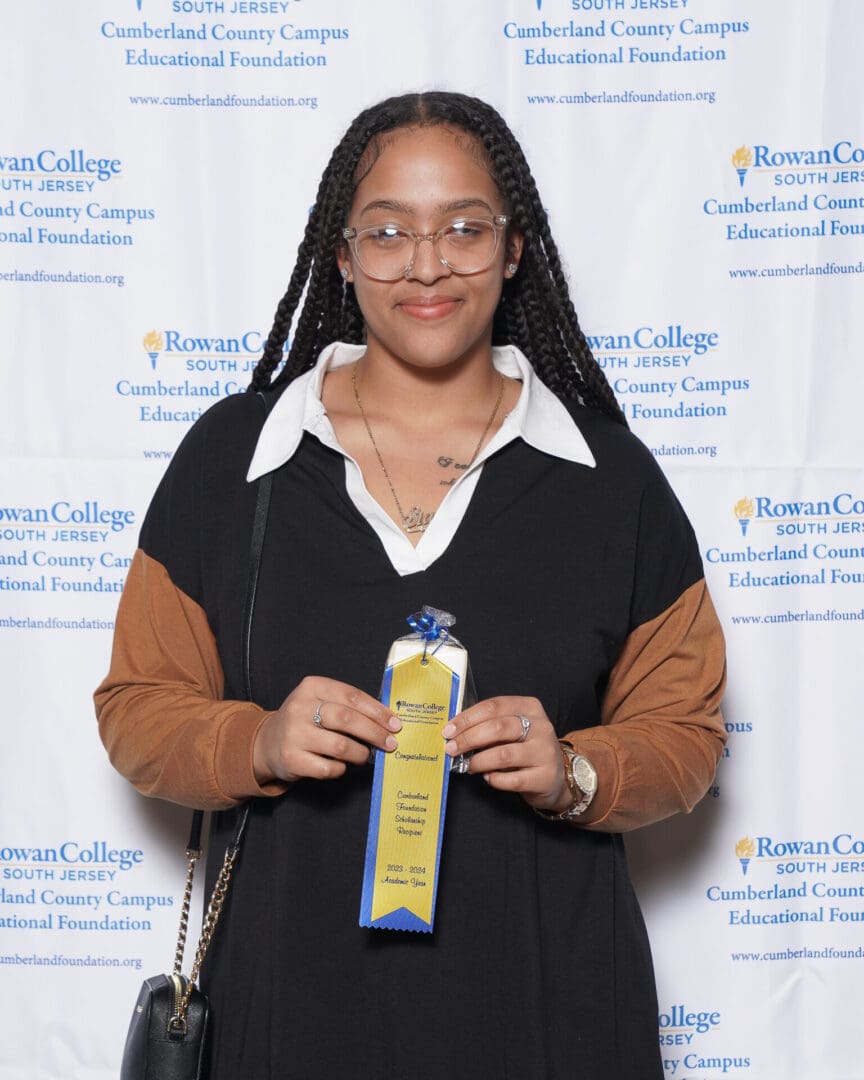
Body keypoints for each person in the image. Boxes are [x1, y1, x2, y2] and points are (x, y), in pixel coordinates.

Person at [96, 91, 726, 1079]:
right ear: (341, 255)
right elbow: (136, 710)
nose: (426, 264)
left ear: (513, 249)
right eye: (388, 231)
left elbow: (685, 734)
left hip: (551, 1005)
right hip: (287, 1007)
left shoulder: (612, 481)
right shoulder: (236, 461)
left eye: (464, 229)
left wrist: (571, 771)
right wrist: (255, 740)